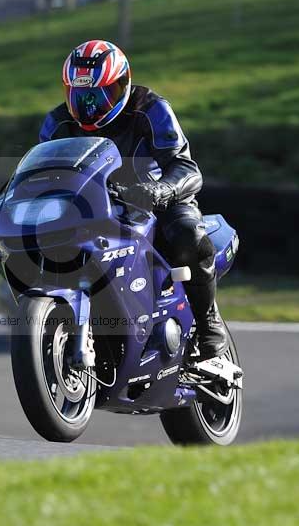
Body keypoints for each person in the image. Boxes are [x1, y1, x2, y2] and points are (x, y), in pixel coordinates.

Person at [39, 39, 227, 360]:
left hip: (154, 201)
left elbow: (185, 166)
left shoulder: (150, 109)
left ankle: (208, 322)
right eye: (79, 96)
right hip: (92, 207)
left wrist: (159, 190)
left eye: (99, 96)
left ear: (122, 84)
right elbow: (41, 173)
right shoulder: (58, 124)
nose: (88, 106)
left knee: (186, 234)